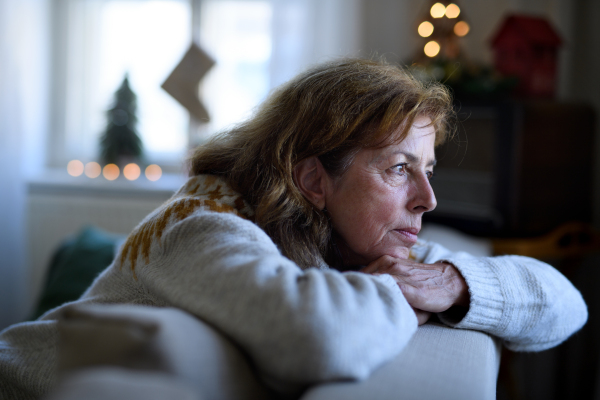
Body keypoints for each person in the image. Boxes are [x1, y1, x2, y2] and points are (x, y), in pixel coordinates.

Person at [0, 58, 588, 399]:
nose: (427, 199)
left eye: (427, 170)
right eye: (400, 170)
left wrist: (454, 284)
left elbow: (567, 305)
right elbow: (316, 336)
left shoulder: (351, 237)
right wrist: (397, 292)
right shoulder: (201, 226)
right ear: (313, 181)